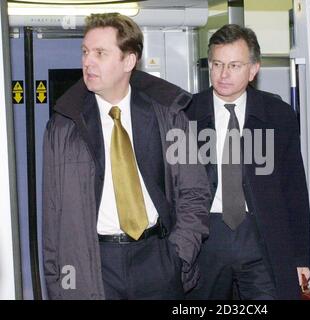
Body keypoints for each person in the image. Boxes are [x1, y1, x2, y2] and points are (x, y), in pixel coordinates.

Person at [42, 13, 211, 299]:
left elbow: (195, 191)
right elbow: (52, 214)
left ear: (128, 61)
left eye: (100, 53)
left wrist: (178, 256)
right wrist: (58, 281)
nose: (88, 61)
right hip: (95, 264)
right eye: (85, 52)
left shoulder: (169, 117)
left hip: (157, 259)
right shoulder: (63, 127)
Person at [185, 24, 310, 300]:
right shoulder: (186, 114)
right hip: (205, 237)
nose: (223, 74)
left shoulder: (277, 115)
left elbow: (294, 188)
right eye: (217, 64)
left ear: (253, 69)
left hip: (261, 235)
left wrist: (301, 256)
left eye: (234, 65)